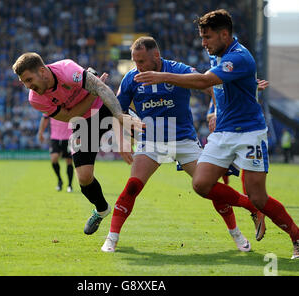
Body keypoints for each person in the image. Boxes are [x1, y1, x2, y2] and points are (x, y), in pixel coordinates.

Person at [134, 9, 299, 259]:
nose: (203, 43)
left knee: (258, 196)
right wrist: (217, 108)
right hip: (223, 133)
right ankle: (251, 207)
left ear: (224, 34)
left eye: (207, 37)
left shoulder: (238, 57)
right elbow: (218, 86)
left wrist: (162, 76)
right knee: (201, 184)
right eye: (202, 37)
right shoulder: (220, 55)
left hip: (249, 133)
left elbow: (203, 82)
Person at [101, 36, 266, 253]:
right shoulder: (131, 78)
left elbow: (211, 86)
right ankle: (112, 238)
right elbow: (117, 110)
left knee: (210, 189)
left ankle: (237, 233)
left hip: (184, 140)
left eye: (141, 61)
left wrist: (215, 111)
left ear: (156, 57)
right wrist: (122, 141)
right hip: (152, 141)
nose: (137, 66)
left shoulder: (178, 69)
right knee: (132, 186)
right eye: (135, 61)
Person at [12, 52, 144, 235]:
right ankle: (101, 209)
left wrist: (119, 117)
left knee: (148, 132)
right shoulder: (35, 98)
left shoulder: (66, 69)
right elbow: (68, 116)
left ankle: (184, 152)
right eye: (24, 82)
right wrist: (92, 92)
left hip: (105, 107)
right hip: (82, 122)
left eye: (29, 79)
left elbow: (103, 89)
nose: (28, 86)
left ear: (42, 71)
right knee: (84, 177)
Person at [37, 114, 74, 192]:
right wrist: (40, 132)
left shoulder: (69, 103)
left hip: (69, 137)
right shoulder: (51, 104)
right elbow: (45, 118)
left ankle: (70, 185)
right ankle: (60, 180)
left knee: (69, 161)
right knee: (54, 158)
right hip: (55, 137)